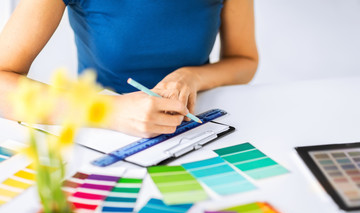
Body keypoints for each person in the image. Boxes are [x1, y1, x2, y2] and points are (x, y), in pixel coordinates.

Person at [0, 0, 258, 138]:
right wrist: (111, 112)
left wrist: (192, 76)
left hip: (194, 126)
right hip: (98, 130)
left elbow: (244, 60)